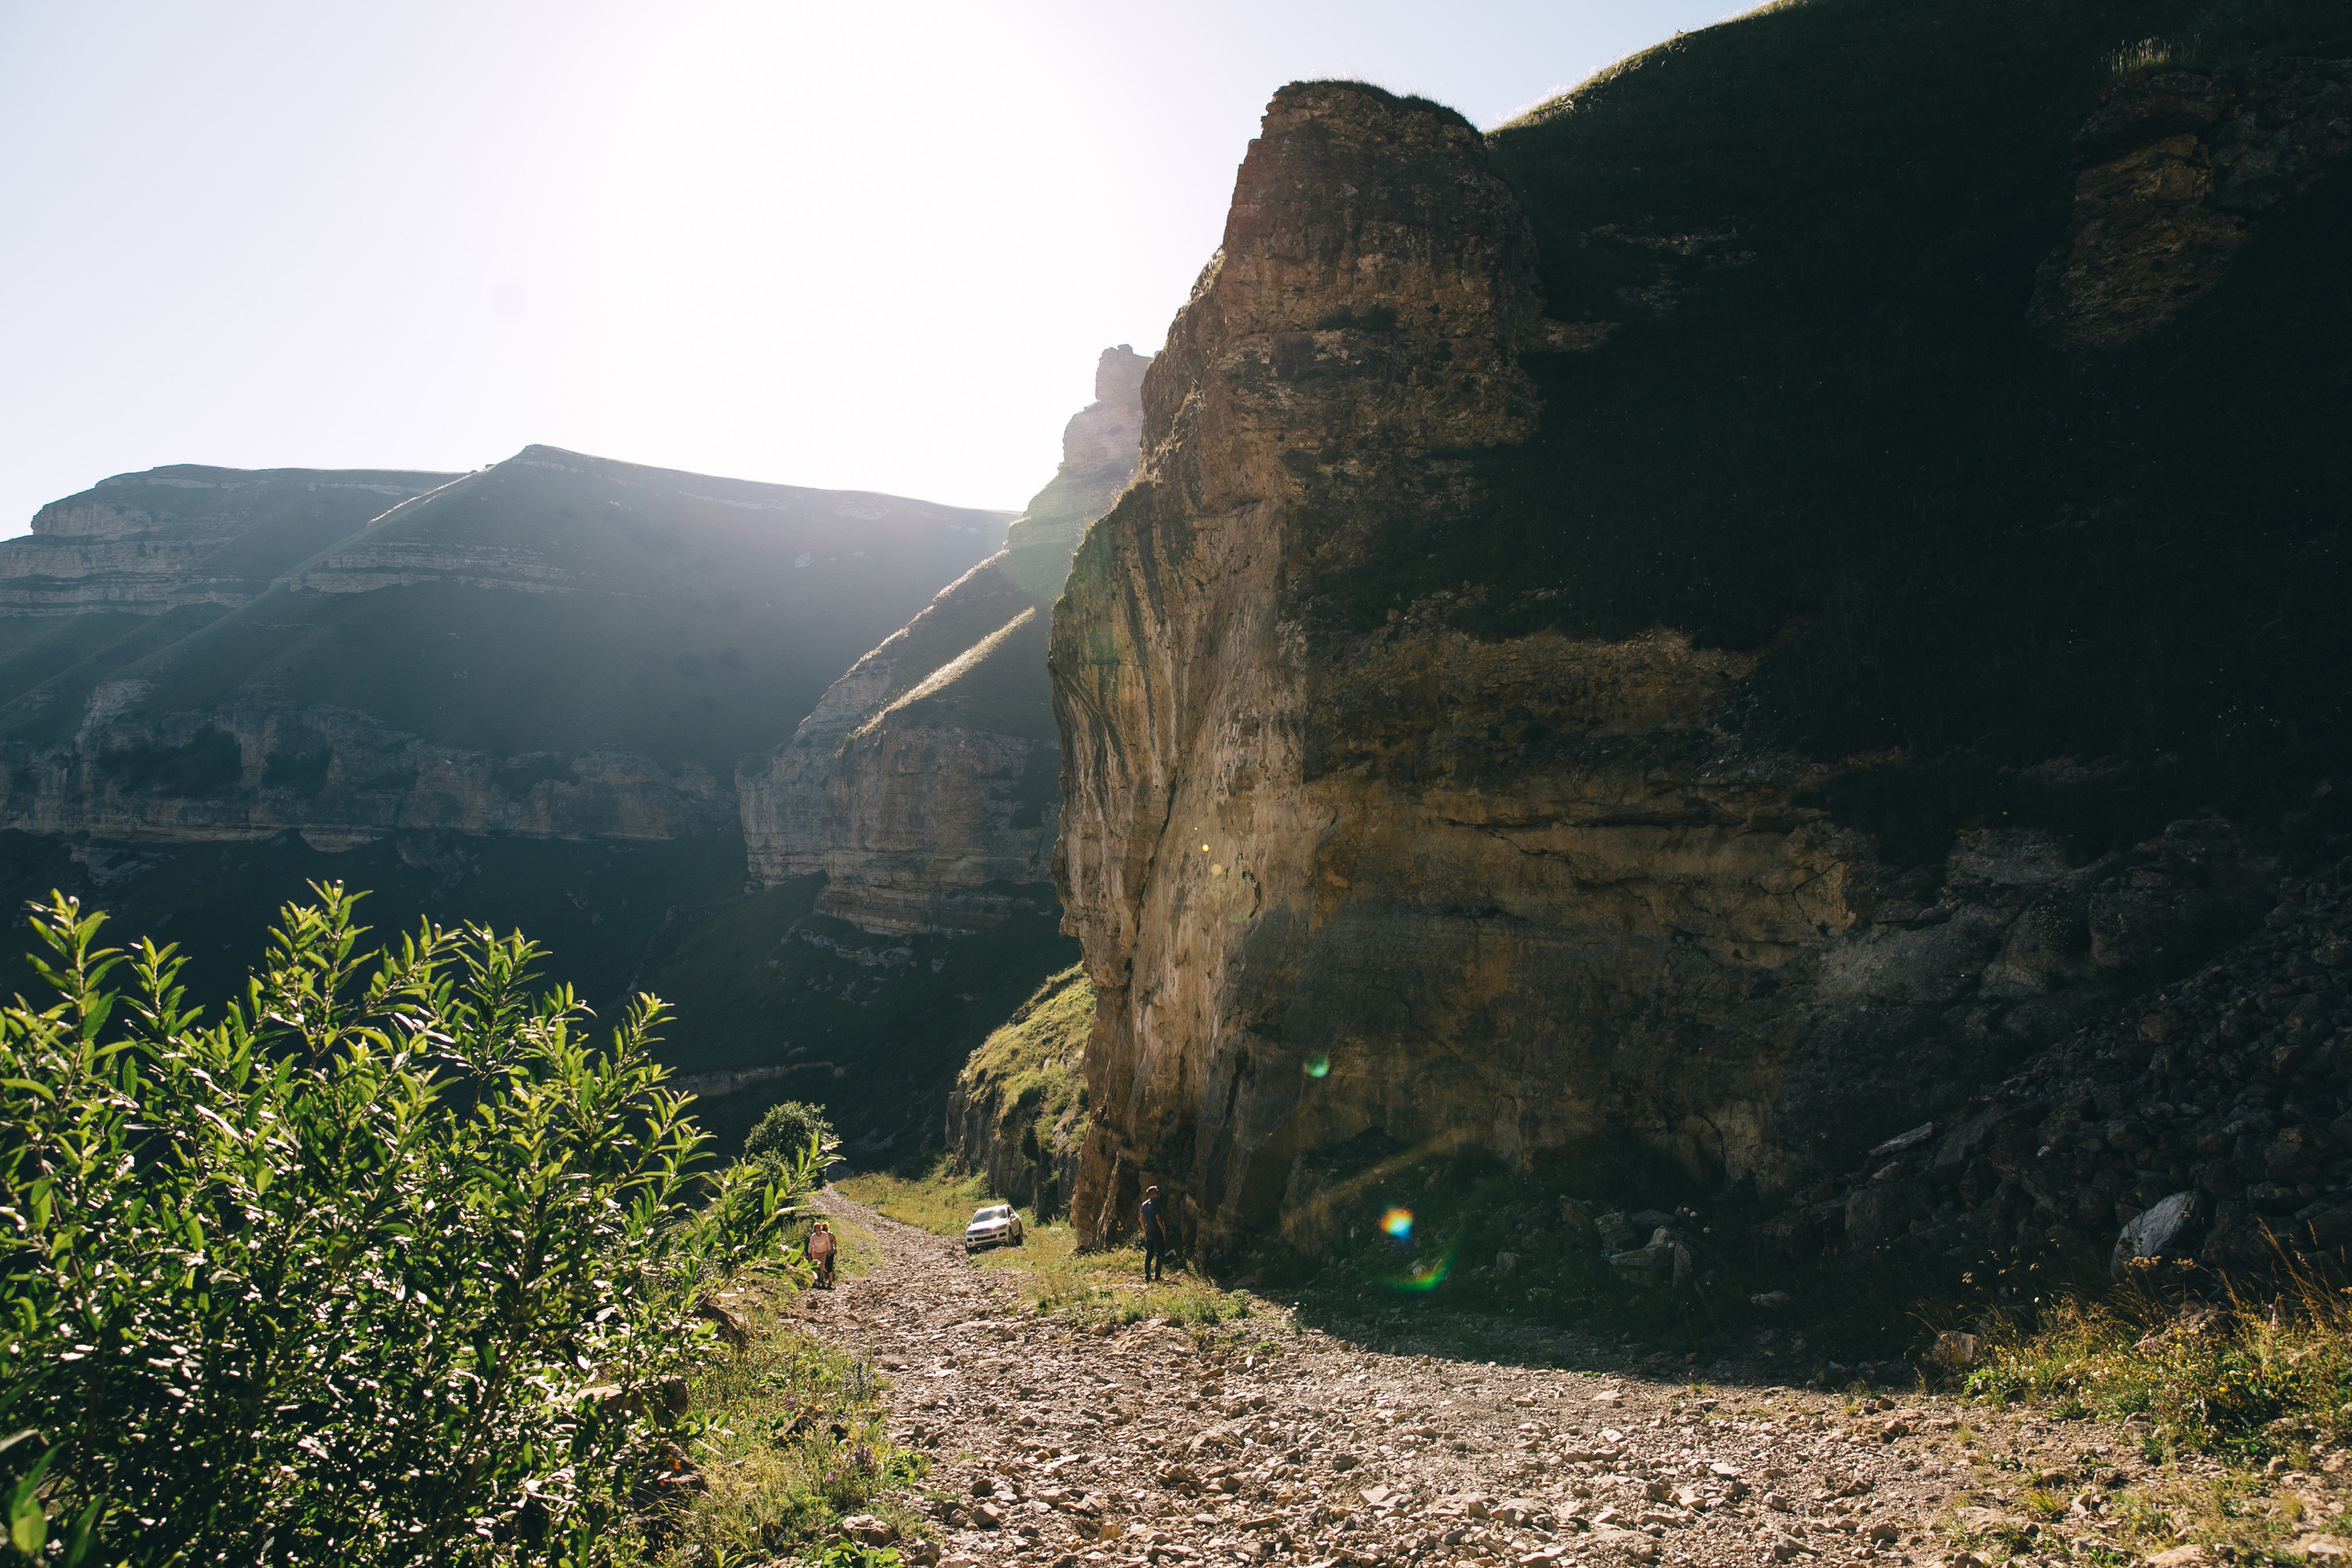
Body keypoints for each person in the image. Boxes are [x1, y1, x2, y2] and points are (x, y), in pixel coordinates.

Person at [1140, 1185, 1168, 1281]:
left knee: (1149, 1254)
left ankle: (1147, 1276)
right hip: (1157, 1232)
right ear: (1152, 1194)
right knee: (1160, 1254)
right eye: (1156, 1192)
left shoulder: (1144, 1205)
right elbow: (1158, 1219)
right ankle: (1157, 1276)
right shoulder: (1156, 1205)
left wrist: (1145, 1230)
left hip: (1148, 1232)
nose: (1158, 1194)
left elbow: (1141, 1219)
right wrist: (1163, 1231)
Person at [807, 1217, 837, 1289]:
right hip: (815, 1252)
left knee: (822, 1265)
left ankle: (822, 1279)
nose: (817, 1228)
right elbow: (810, 1245)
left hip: (823, 1252)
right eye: (816, 1227)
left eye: (818, 1227)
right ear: (814, 1228)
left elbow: (828, 1243)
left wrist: (829, 1250)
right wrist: (809, 1253)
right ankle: (815, 1280)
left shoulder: (824, 1235)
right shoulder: (813, 1236)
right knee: (815, 1266)